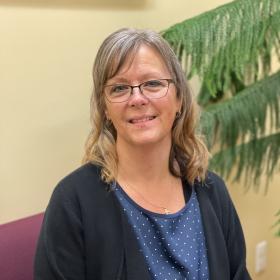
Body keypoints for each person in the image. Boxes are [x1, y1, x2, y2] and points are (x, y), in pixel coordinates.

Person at [34, 28, 251, 280]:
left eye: (153, 84)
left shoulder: (212, 191)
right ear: (105, 108)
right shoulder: (73, 201)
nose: (137, 98)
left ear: (179, 98)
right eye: (119, 88)